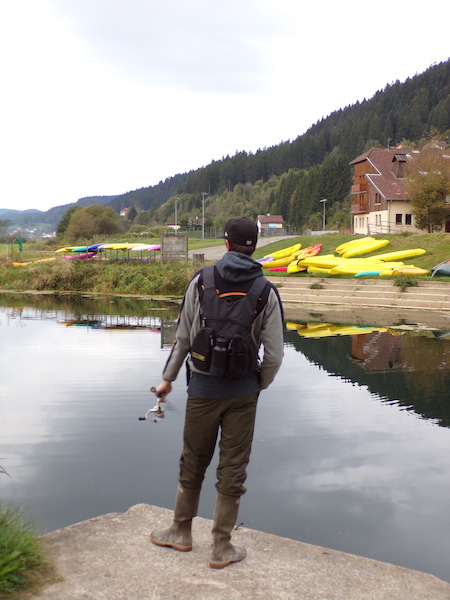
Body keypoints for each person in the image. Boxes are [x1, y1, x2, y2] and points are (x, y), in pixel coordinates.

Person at [150, 216, 284, 568]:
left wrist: (168, 379)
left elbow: (183, 337)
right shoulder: (266, 291)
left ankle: (180, 532)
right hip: (243, 393)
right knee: (233, 468)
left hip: (203, 390)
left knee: (193, 460)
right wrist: (256, 385)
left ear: (225, 243)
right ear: (254, 246)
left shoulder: (201, 281)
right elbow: (274, 355)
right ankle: (222, 547)